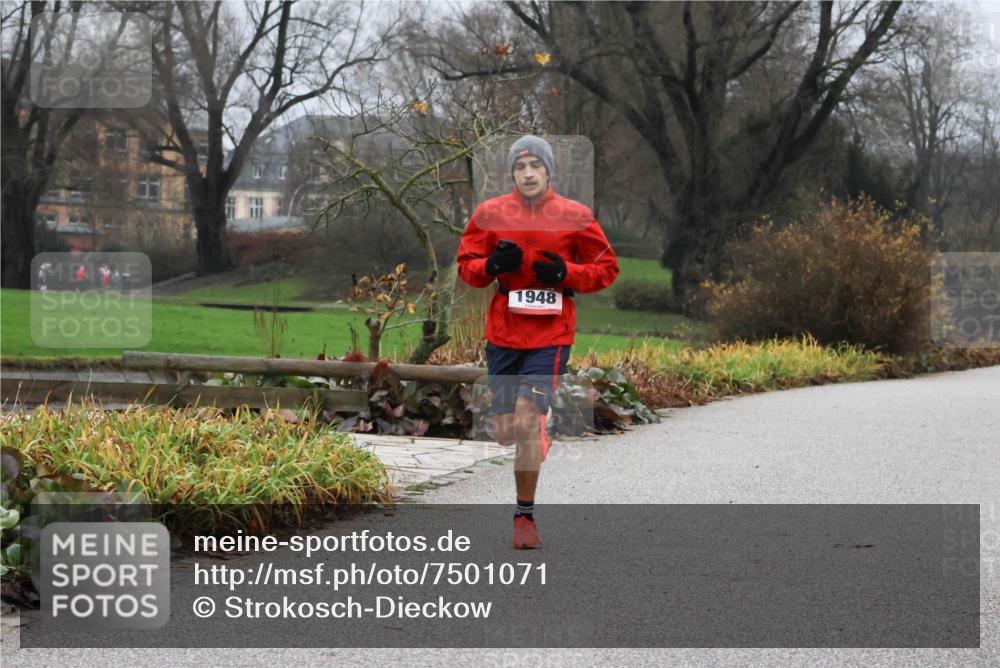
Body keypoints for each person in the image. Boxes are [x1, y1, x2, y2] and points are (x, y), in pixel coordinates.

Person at [457, 135, 619, 549]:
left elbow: (606, 268)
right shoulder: (490, 213)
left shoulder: (574, 215)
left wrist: (567, 273)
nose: (528, 174)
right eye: (520, 167)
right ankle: (537, 434)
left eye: (536, 166)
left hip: (551, 334)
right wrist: (491, 265)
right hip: (504, 332)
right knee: (505, 432)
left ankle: (524, 518)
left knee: (527, 420)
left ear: (549, 171)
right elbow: (467, 267)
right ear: (512, 173)